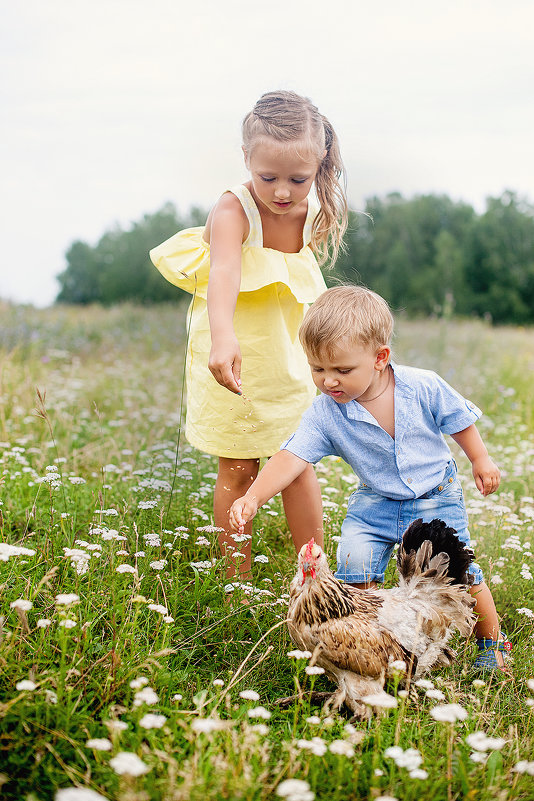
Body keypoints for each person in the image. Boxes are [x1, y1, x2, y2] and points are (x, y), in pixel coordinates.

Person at [229, 285, 510, 670]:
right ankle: (376, 647)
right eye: (318, 369)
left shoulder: (421, 386)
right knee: (354, 566)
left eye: (342, 370)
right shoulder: (325, 413)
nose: (329, 381)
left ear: (380, 358)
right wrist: (254, 496)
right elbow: (291, 456)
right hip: (374, 503)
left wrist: (481, 460)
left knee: (461, 574)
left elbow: (459, 421)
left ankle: (491, 644)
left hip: (434, 497)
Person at [150, 91, 348, 577]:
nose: (282, 191)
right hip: (231, 349)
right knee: (239, 467)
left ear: (319, 163)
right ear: (246, 160)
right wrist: (222, 338)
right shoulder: (233, 210)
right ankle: (236, 580)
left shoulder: (314, 208)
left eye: (297, 179)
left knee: (298, 463)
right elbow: (223, 278)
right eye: (268, 177)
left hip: (287, 356)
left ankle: (314, 576)